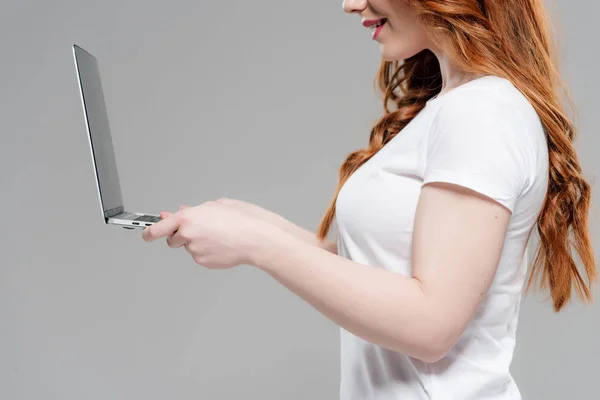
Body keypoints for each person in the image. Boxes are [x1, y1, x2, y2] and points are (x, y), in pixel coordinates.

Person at [142, 0, 597, 398]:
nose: (350, 4)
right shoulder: (455, 107)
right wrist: (250, 222)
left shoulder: (480, 112)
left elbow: (431, 323)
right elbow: (384, 267)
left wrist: (258, 245)